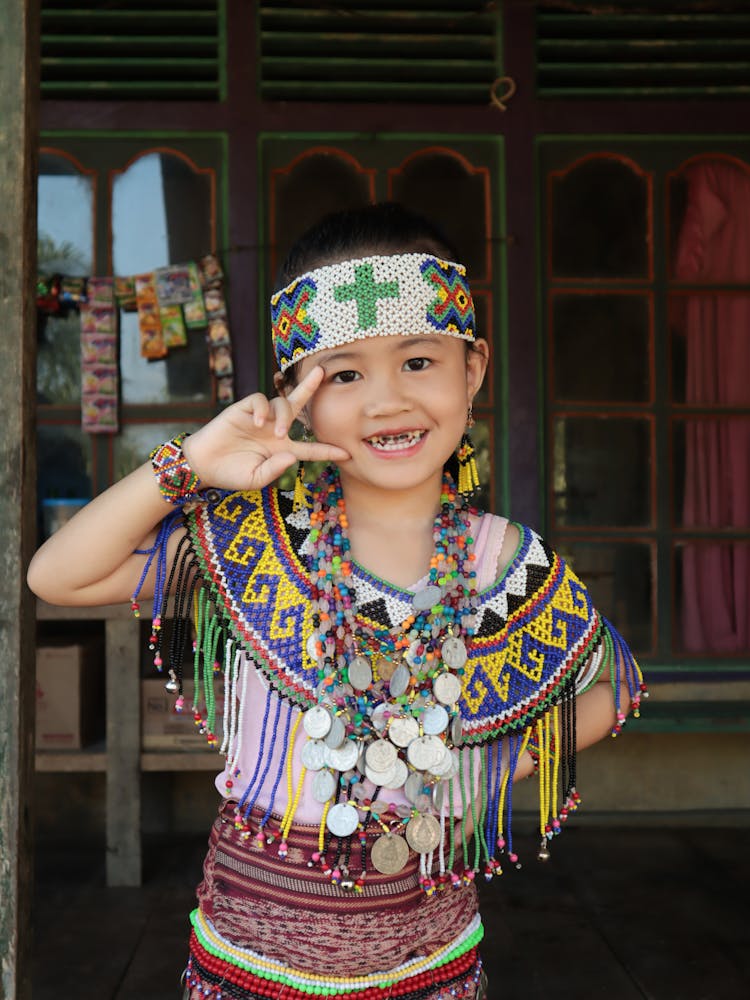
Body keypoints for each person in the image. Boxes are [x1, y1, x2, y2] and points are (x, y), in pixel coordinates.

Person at [28, 202, 645, 1000]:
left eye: (419, 361)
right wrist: (190, 463)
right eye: (345, 374)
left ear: (474, 370)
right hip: (248, 966)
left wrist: (493, 767)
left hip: (434, 969)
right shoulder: (247, 543)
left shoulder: (510, 561)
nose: (386, 401)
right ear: (296, 395)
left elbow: (614, 685)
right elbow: (58, 575)